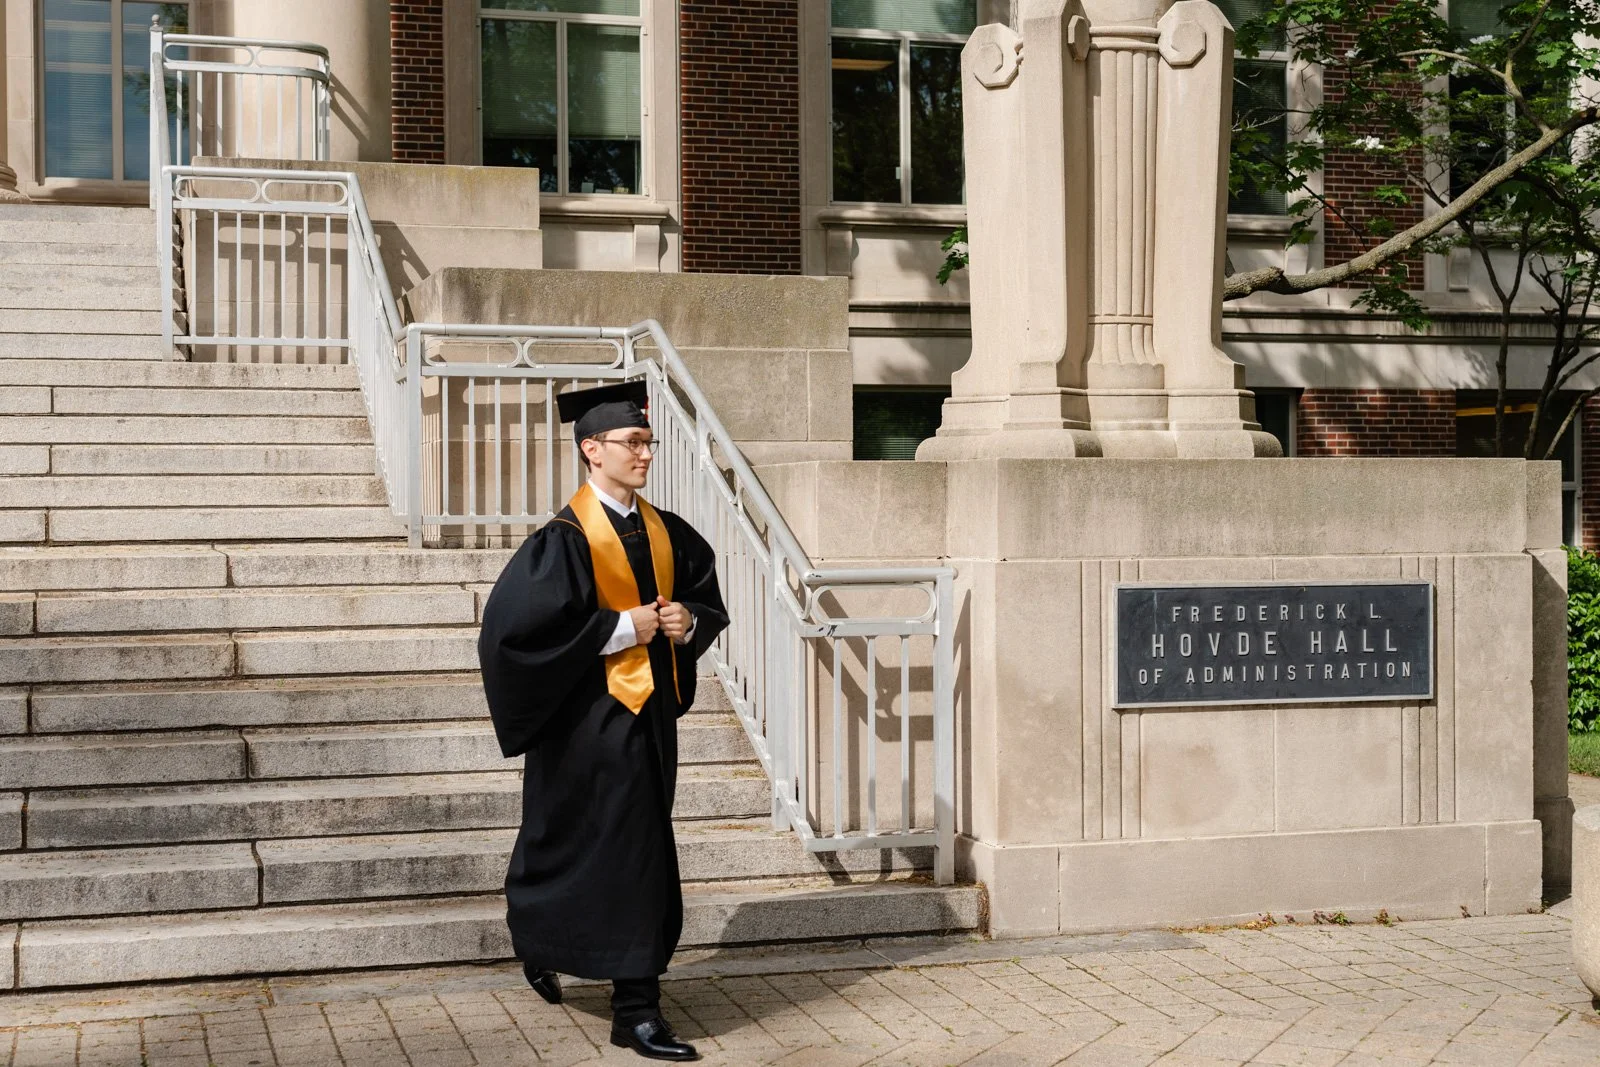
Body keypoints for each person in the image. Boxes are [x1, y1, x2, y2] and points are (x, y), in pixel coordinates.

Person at [477, 379, 728, 1063]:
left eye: (647, 441)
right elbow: (513, 637)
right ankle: (573, 960)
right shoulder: (560, 540)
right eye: (633, 441)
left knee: (639, 849)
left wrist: (686, 622)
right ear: (593, 448)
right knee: (570, 841)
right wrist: (622, 627)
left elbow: (705, 597)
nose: (645, 453)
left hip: (646, 724)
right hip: (582, 725)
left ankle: (634, 1002)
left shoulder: (667, 531)